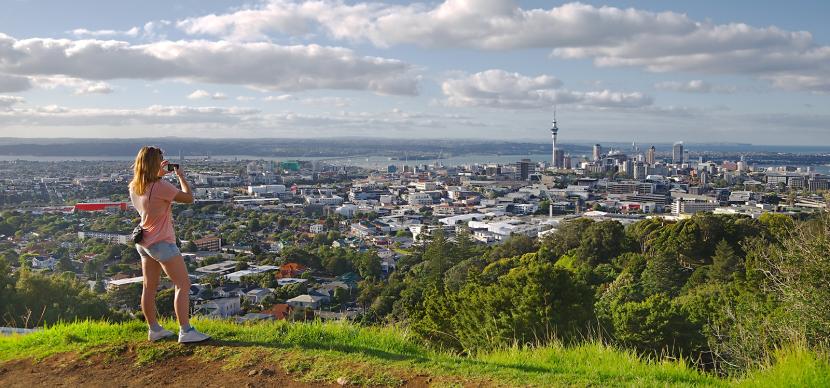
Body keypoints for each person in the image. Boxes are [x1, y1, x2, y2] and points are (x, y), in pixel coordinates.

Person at [128, 146, 210, 343]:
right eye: (161, 159)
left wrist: (159, 176)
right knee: (183, 284)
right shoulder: (161, 186)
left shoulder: (134, 186)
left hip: (144, 241)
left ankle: (154, 329)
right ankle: (186, 331)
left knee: (149, 287)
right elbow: (189, 198)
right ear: (155, 163)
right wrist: (181, 176)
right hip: (162, 243)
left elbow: (149, 202)